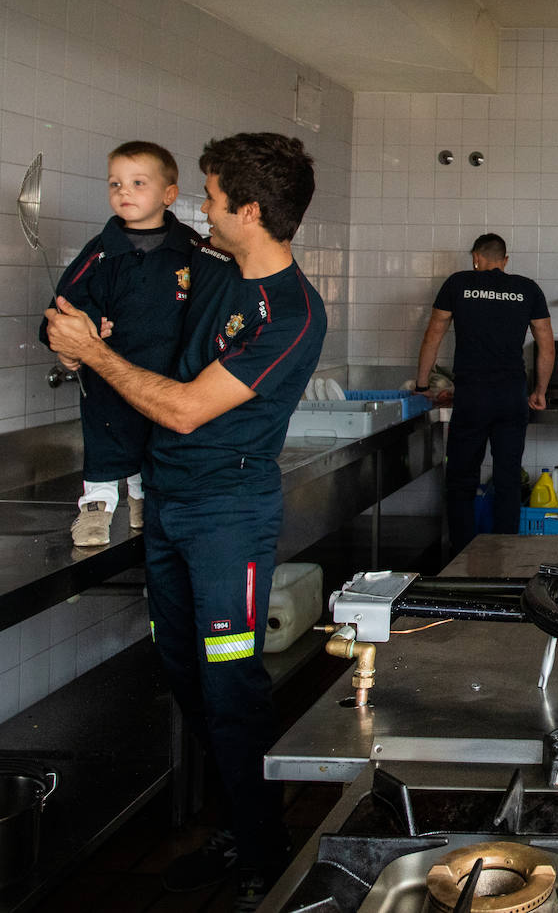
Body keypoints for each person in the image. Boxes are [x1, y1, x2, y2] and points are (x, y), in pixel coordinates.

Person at [45, 132, 325, 909]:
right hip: (166, 508)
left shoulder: (292, 313)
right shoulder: (207, 270)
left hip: (226, 520)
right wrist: (82, 337)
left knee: (230, 679)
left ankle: (264, 858)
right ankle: (241, 821)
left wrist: (96, 359)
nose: (202, 206)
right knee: (184, 673)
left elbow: (186, 408)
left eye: (211, 196)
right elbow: (134, 321)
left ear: (252, 211)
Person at [37, 141, 200, 546]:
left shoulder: (193, 251)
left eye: (137, 183)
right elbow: (61, 311)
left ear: (169, 194)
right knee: (107, 439)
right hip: (108, 377)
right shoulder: (100, 253)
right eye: (115, 184)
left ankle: (145, 501)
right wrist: (79, 335)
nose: (123, 192)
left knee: (158, 446)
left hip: (170, 381)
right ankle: (97, 506)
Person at [414, 233, 554, 553]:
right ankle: (504, 560)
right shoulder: (527, 289)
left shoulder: (458, 284)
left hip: (472, 397)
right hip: (511, 397)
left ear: (475, 258)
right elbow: (546, 345)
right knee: (507, 480)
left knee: (462, 479)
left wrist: (423, 385)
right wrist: (540, 392)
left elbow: (433, 335)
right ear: (504, 262)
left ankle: (462, 555)